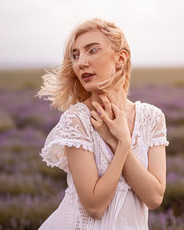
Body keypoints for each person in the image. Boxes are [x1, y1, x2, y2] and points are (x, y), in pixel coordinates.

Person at [37, 18, 168, 230]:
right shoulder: (77, 120)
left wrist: (119, 141)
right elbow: (94, 207)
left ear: (121, 58)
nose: (81, 63)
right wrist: (123, 146)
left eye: (92, 50)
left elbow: (154, 197)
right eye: (76, 55)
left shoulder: (152, 118)